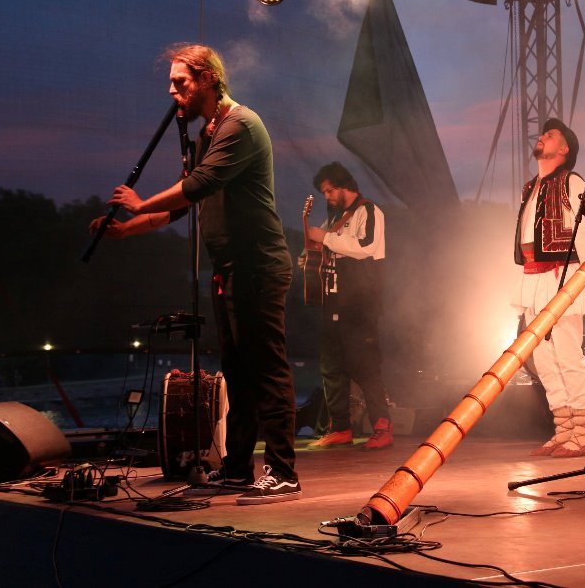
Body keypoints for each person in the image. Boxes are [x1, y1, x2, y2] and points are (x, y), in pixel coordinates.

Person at [89, 43, 301, 504]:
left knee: (266, 369)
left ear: (207, 78)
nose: (172, 92)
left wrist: (140, 202)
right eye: (171, 83)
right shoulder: (207, 133)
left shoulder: (241, 125)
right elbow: (184, 206)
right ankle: (239, 469)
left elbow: (200, 184)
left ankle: (284, 472)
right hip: (230, 270)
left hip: (259, 265)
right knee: (238, 372)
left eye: (180, 82)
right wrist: (127, 229)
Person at [512, 118, 585, 458]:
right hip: (533, 277)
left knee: (567, 356)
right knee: (544, 361)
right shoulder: (530, 187)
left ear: (564, 149)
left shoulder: (572, 181)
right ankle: (564, 430)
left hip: (561, 276)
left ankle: (581, 435)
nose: (542, 136)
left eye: (550, 135)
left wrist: (579, 278)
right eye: (543, 133)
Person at [304, 162, 393, 451]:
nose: (327, 196)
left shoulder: (369, 211)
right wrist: (310, 256)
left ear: (344, 186)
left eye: (330, 190)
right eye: (324, 192)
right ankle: (341, 428)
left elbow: (365, 246)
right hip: (334, 300)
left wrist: (325, 238)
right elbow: (327, 248)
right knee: (332, 366)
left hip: (360, 304)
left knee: (365, 365)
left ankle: (383, 427)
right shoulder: (334, 218)